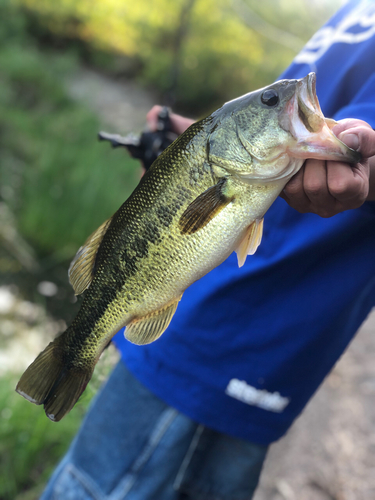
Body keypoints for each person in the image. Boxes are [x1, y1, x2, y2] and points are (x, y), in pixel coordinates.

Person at [41, 1, 375, 499]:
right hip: (194, 320)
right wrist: (190, 146)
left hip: (258, 342)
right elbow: (246, 139)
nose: (292, 98)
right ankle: (74, 351)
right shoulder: (356, 9)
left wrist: (360, 165)